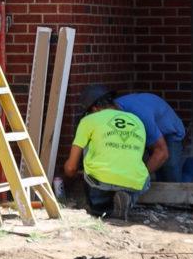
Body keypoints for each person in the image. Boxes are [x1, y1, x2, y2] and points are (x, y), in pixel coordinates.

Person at [63, 87, 161, 221]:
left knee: (99, 206)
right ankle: (128, 199)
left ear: (94, 109)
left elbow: (71, 167)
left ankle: (101, 206)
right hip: (135, 180)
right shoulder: (137, 120)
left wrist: (69, 177)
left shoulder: (88, 121)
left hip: (101, 180)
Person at [113, 90, 187, 181]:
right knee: (159, 176)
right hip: (150, 131)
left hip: (170, 131)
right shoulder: (113, 109)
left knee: (172, 179)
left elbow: (162, 153)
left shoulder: (139, 113)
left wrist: (137, 180)